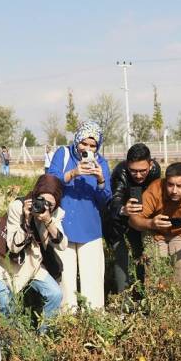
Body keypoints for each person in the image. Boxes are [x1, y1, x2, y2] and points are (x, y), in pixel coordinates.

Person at [0, 174, 67, 328]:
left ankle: (42, 338)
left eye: (51, 204)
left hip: (31, 262)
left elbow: (62, 245)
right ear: (36, 195)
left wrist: (48, 221)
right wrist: (27, 220)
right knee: (7, 306)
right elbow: (14, 246)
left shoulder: (55, 213)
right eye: (42, 201)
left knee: (55, 294)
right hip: (3, 262)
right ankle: (11, 344)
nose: (45, 206)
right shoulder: (18, 207)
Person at [47, 121, 111, 311]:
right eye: (84, 143)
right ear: (77, 140)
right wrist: (73, 173)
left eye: (93, 145)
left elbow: (106, 198)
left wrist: (100, 180)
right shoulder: (63, 154)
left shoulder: (102, 163)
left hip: (90, 229)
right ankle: (68, 325)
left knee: (93, 280)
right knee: (65, 280)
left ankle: (95, 321)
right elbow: (50, 180)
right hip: (62, 227)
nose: (88, 149)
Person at [129, 162, 181, 284]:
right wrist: (151, 223)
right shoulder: (155, 189)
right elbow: (133, 220)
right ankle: (155, 301)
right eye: (170, 185)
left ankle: (180, 300)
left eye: (180, 186)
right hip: (155, 233)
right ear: (165, 181)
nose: (174, 190)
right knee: (156, 271)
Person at [104, 143, 161, 293]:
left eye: (143, 171)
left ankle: (142, 293)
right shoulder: (120, 172)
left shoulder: (156, 171)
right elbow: (114, 200)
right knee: (121, 255)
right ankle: (123, 300)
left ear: (151, 164)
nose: (138, 175)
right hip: (116, 218)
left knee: (141, 254)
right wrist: (123, 208)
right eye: (133, 171)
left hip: (138, 219)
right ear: (127, 165)